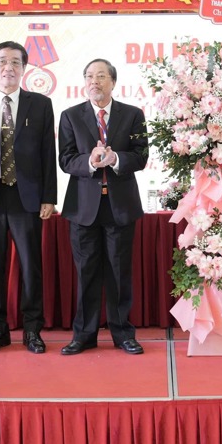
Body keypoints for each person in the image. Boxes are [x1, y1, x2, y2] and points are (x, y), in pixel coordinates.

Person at [0, 41, 57, 355]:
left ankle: (33, 330)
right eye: (3, 61)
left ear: (24, 68)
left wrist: (49, 196)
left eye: (15, 62)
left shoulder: (40, 104)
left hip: (27, 197)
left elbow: (48, 153)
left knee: (31, 266)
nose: (9, 67)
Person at [58, 58, 149, 356]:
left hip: (120, 205)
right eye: (89, 76)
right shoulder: (70, 116)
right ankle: (84, 334)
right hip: (84, 207)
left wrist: (116, 159)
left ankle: (123, 333)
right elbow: (66, 159)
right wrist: (90, 161)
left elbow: (141, 156)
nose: (93, 81)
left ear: (113, 81)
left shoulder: (133, 115)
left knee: (120, 272)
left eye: (100, 76)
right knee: (86, 272)